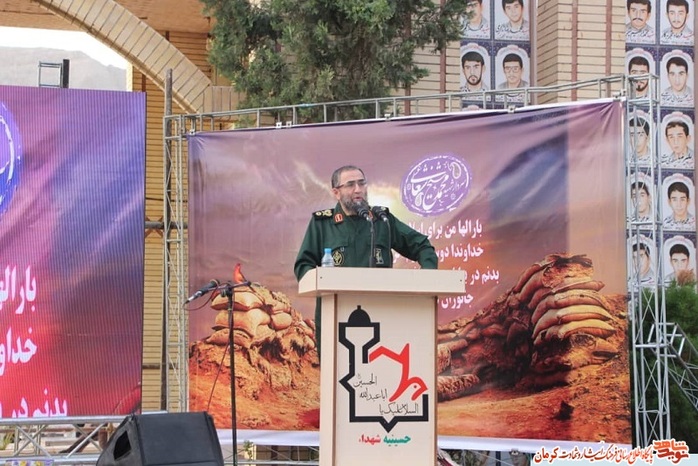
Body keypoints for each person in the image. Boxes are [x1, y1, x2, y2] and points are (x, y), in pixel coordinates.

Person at [294, 165, 438, 354]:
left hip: (380, 316)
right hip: (334, 319)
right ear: (336, 192)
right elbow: (303, 265)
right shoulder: (323, 224)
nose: (358, 189)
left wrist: (427, 278)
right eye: (350, 185)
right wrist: (320, 283)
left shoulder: (382, 221)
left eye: (362, 183)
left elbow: (422, 246)